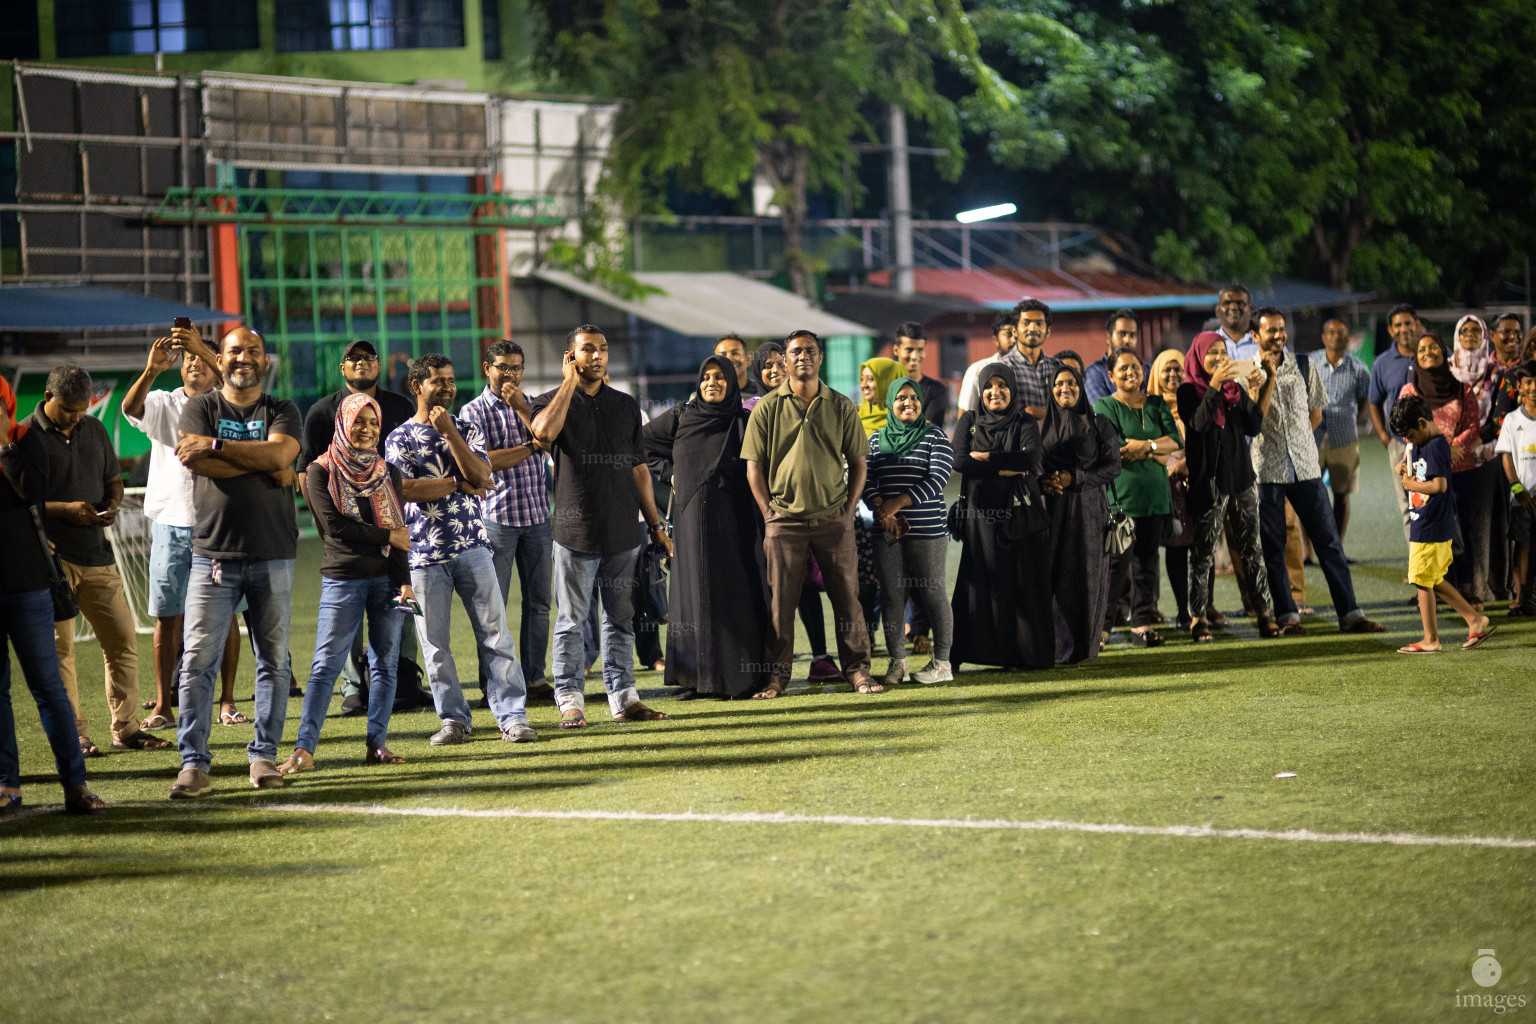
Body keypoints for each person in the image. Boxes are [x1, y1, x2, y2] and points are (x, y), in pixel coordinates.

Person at [168, 327, 303, 798]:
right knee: (197, 664)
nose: (243, 357)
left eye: (252, 351)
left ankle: (263, 757)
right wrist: (266, 464)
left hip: (274, 555)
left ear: (265, 361)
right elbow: (196, 462)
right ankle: (193, 764)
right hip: (213, 556)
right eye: (233, 351)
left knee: (274, 665)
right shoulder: (201, 406)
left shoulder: (283, 410)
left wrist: (220, 447)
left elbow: (284, 452)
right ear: (219, 360)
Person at [385, 353, 536, 745]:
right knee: (435, 646)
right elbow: (404, 489)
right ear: (417, 386)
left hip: (473, 546)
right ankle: (454, 719)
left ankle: (512, 716)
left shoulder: (467, 429)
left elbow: (483, 476)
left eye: (451, 380)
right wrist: (456, 483)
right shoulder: (398, 437)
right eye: (438, 381)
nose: (448, 387)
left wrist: (450, 434)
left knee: (495, 636)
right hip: (422, 555)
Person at [530, 326, 673, 725]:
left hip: (623, 534)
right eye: (587, 350)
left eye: (603, 350)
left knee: (620, 621)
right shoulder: (550, 402)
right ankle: (570, 699)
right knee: (572, 622)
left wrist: (655, 525)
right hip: (575, 534)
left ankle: (624, 698)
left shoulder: (626, 406)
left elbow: (640, 468)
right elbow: (542, 434)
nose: (597, 356)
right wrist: (567, 384)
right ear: (570, 356)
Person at [29, 364, 168, 755]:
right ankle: (76, 735)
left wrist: (112, 504)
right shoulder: (26, 436)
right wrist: (65, 510)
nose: (76, 417)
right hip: (51, 560)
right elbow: (22, 503)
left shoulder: (94, 429)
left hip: (97, 553)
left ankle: (126, 730)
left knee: (122, 641)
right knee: (61, 652)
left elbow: (113, 480)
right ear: (47, 398)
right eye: (68, 410)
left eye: (82, 409)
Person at [279, 393, 415, 774]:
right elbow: (336, 528)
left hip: (387, 581)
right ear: (343, 422)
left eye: (373, 423)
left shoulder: (389, 472)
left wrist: (404, 581)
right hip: (344, 579)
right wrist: (387, 539)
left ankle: (377, 745)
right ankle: (304, 750)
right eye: (359, 421)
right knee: (326, 665)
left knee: (385, 664)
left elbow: (400, 532)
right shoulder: (321, 471)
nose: (367, 429)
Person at [122, 327, 247, 733]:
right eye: (187, 358)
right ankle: (163, 703)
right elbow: (131, 407)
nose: (193, 363)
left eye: (201, 358)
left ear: (216, 369)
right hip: (171, 524)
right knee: (167, 615)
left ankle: (227, 701)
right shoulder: (165, 402)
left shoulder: (228, 404)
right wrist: (151, 370)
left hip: (218, 524)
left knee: (226, 615)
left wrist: (203, 349)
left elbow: (237, 384)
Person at [741, 329, 877, 696]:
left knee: (848, 599)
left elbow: (859, 462)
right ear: (785, 360)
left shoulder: (840, 405)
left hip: (833, 518)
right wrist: (769, 512)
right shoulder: (767, 407)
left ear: (821, 358)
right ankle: (777, 678)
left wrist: (849, 508)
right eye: (796, 351)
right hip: (783, 521)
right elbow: (753, 467)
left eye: (810, 351)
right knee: (780, 606)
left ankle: (858, 671)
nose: (803, 356)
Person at [0, 376, 104, 815]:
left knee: (48, 687)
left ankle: (75, 784)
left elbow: (35, 493)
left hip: (26, 584)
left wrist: (4, 446)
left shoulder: (26, 440)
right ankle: (7, 785)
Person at [297, 339, 417, 713]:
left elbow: (405, 468)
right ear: (342, 368)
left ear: (379, 365)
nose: (362, 363)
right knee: (344, 620)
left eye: (369, 357)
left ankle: (406, 679)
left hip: (394, 520)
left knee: (400, 601)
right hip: (346, 530)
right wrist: (325, 525)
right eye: (354, 358)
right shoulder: (321, 413)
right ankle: (352, 685)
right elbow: (307, 472)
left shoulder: (399, 407)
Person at [1249, 308, 1384, 635]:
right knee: (1275, 547)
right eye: (1271, 331)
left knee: (1329, 543)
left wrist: (1299, 444)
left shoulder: (1304, 364)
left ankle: (1351, 614)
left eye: (1281, 330)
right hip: (1268, 470)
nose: (1279, 336)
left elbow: (1316, 413)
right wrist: (1267, 377)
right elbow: (1254, 419)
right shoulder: (1247, 373)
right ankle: (1288, 617)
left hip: (1306, 467)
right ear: (1255, 336)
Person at [642, 356, 769, 699]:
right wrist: (668, 473)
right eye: (706, 377)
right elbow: (640, 443)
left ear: (731, 383)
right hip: (691, 521)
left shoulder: (742, 420)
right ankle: (696, 680)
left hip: (735, 521)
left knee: (733, 593)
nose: (711, 383)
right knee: (694, 594)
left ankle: (738, 678)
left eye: (719, 378)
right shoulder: (682, 415)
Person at [459, 340, 555, 701]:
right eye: (502, 367)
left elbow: (550, 439)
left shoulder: (532, 406)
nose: (510, 374)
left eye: (516, 368)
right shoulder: (473, 412)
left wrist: (524, 411)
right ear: (488, 370)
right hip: (497, 520)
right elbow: (484, 462)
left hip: (537, 517)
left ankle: (533, 678)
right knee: (492, 608)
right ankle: (494, 684)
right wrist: (531, 446)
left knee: (540, 604)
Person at [744, 342, 839, 681]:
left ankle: (821, 658)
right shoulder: (747, 410)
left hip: (801, 508)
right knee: (770, 589)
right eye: (765, 366)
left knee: (805, 586)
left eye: (777, 363)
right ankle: (766, 664)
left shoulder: (807, 404)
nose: (773, 370)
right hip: (761, 513)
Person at [1177, 333, 1280, 642]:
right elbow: (1198, 424)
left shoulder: (1234, 391)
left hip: (1241, 480)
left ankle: (1264, 613)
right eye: (1212, 353)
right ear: (1198, 357)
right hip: (1208, 483)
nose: (1219, 358)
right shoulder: (1188, 391)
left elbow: (1253, 426)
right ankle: (1198, 617)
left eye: (1223, 352)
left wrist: (1263, 384)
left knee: (1253, 549)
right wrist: (1213, 387)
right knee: (1203, 554)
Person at [950, 363, 1053, 670]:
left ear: (1012, 388)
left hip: (1018, 515)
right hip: (979, 517)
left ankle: (1020, 655)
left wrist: (984, 458)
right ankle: (973, 654)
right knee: (980, 582)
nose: (995, 392)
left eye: (1002, 386)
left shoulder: (1023, 420)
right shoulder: (969, 420)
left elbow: (1031, 459)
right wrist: (1005, 466)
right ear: (980, 391)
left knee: (1020, 583)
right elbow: (958, 460)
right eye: (989, 387)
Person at [863, 376, 955, 684]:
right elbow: (866, 478)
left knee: (932, 592)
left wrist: (897, 503)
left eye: (913, 398)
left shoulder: (934, 436)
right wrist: (880, 507)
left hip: (926, 528)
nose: (908, 403)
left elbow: (939, 477)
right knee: (892, 596)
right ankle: (897, 664)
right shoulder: (876, 439)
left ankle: (942, 664)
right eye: (901, 398)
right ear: (890, 403)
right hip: (886, 530)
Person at [1391, 395, 1495, 653]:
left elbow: (1439, 485)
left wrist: (1412, 484)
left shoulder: (1437, 445)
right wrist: (1404, 469)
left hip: (1432, 524)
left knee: (1421, 579)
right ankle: (1474, 619)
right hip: (1423, 521)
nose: (1408, 440)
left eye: (1411, 434)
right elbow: (1417, 469)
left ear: (1423, 423)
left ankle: (1431, 639)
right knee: (1432, 578)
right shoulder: (1421, 443)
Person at [1093, 348, 1181, 647]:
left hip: (1155, 498)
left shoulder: (1156, 403)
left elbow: (1176, 441)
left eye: (1136, 367)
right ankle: (1101, 630)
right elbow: (1116, 449)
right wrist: (1157, 449)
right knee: (1117, 566)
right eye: (1123, 368)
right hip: (1122, 500)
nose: (1131, 372)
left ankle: (1141, 625)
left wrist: (1145, 446)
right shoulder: (1104, 406)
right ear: (1111, 375)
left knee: (1147, 564)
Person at [1039, 366, 1121, 663]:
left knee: (1087, 576)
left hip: (1088, 510)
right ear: (1051, 388)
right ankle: (1055, 648)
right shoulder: (1041, 426)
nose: (1065, 388)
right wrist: (1043, 483)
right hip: (1051, 510)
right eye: (1059, 384)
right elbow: (1033, 467)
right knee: (1053, 576)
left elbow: (1113, 467)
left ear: (1080, 386)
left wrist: (1076, 478)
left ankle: (1084, 648)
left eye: (1071, 383)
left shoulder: (1099, 424)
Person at [1397, 330, 1483, 598]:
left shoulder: (1461, 387)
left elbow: (1473, 424)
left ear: (1444, 351)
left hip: (1461, 468)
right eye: (1421, 350)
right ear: (1416, 357)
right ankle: (1437, 587)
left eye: (1433, 348)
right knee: (1432, 529)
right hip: (1426, 472)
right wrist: (1412, 460)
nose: (1427, 353)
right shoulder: (1410, 390)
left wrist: (1456, 445)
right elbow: (1405, 430)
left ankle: (1467, 586)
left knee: (1462, 529)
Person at [1448, 315, 1506, 606]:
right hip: (1448, 457)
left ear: (1484, 336)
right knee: (1449, 524)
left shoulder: (1495, 372)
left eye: (1475, 330)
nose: (1470, 335)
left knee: (1478, 525)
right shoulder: (1446, 371)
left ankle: (1479, 587)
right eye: (1464, 330)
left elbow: (1499, 414)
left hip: (1485, 454)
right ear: (1456, 336)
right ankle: (1448, 587)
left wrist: (1483, 443)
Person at [1306, 319, 1371, 550]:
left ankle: (1336, 547)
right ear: (1323, 337)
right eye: (1331, 332)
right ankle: (1308, 551)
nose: (1335, 336)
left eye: (1340, 333)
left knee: (1342, 494)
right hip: (1311, 438)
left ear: (1347, 338)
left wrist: (1350, 419)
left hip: (1344, 438)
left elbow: (1364, 399)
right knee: (1308, 494)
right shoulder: (1310, 362)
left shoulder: (1359, 368)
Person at [1368, 303, 1423, 542]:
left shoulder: (1433, 353)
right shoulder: (1382, 363)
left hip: (1433, 442)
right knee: (1408, 505)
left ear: (1417, 324)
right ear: (1390, 330)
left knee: (1437, 500)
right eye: (1398, 325)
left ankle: (1445, 564)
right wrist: (1382, 434)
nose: (1404, 329)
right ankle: (1417, 565)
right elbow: (1373, 401)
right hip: (1400, 444)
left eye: (1408, 323)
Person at [1146, 349, 1193, 628]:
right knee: (1167, 547)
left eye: (1178, 369)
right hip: (1161, 484)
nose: (1173, 375)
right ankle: (1161, 610)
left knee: (1195, 546)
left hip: (1192, 481)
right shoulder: (1149, 406)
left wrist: (1188, 463)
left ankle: (1198, 609)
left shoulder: (1193, 402)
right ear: (1156, 373)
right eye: (1167, 370)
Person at [1494, 361, 1536, 615]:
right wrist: (1517, 487)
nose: (1533, 388)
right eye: (1528, 383)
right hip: (1522, 497)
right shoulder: (1511, 419)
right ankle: (1520, 598)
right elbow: (1506, 455)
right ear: (1519, 387)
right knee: (1522, 545)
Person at [1004, 299, 1064, 421]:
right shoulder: (1003, 368)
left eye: (1039, 323)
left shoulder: (1059, 367)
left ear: (1048, 331)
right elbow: (1004, 414)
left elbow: (1071, 411)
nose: (1032, 328)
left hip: (1057, 439)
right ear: (1014, 331)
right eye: (1026, 323)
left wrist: (1031, 411)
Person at [958, 310, 1018, 417]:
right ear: (995, 340)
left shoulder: (1028, 371)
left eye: (1017, 336)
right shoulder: (977, 370)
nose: (1014, 340)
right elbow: (965, 415)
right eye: (1008, 334)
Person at [893, 322, 950, 428]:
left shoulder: (936, 390)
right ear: (896, 350)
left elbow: (928, 430)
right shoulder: (884, 387)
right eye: (909, 350)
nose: (915, 356)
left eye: (920, 350)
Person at [1084, 309, 1144, 406]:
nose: (1127, 340)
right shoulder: (1095, 372)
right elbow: (1103, 412)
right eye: (1122, 334)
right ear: (1108, 337)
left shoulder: (1148, 370)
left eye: (1132, 335)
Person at [1214, 286, 1257, 361]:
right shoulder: (1207, 344)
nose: (1233, 307)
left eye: (1240, 303)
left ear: (1251, 309)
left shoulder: (1267, 343)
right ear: (1217, 310)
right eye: (1227, 303)